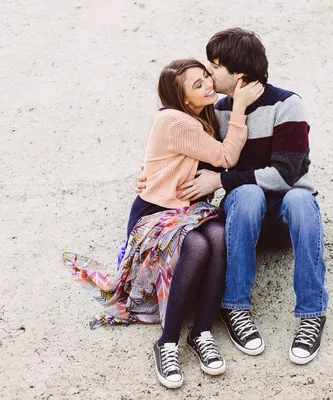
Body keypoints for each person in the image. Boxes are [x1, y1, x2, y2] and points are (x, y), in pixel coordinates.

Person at [63, 58, 264, 389]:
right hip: (155, 214)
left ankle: (201, 334)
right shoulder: (178, 122)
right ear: (183, 99)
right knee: (199, 244)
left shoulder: (198, 116)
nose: (208, 85)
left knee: (217, 235)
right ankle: (167, 342)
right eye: (197, 85)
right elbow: (227, 157)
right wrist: (240, 107)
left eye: (206, 78)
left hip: (187, 211)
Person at [138, 28, 329, 365]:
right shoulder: (219, 110)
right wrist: (150, 176)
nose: (209, 75)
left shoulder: (288, 104)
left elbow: (286, 175)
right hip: (242, 218)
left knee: (300, 198)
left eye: (214, 66)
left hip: (284, 218)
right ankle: (236, 307)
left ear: (238, 73)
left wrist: (222, 179)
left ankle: (312, 314)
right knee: (249, 194)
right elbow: (189, 152)